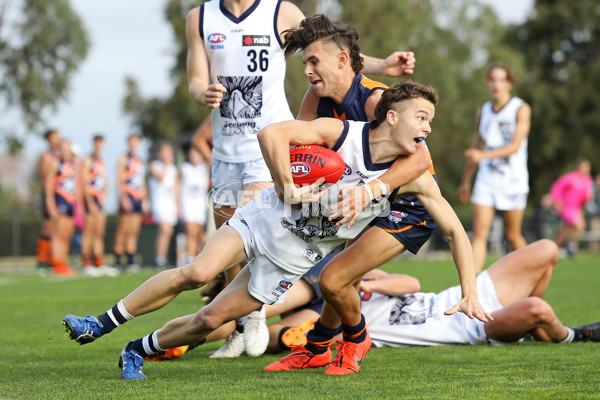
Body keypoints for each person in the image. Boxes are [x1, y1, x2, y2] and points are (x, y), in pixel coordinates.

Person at [62, 82, 490, 380]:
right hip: (264, 219)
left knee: (211, 319)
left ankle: (137, 350)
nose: (427, 129)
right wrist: (287, 185)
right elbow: (274, 133)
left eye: (430, 120)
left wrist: (469, 290)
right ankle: (99, 323)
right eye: (422, 117)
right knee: (197, 273)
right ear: (392, 116)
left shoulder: (413, 177)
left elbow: (454, 230)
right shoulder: (340, 133)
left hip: (293, 257)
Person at [186, 2, 418, 357]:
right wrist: (201, 92)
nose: (308, 68)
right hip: (226, 149)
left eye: (312, 64)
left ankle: (269, 318)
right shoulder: (199, 17)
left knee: (257, 233)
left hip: (268, 147)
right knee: (234, 250)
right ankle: (247, 323)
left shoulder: (279, 12)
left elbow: (329, 48)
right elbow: (195, 80)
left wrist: (383, 65)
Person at [150, 240, 600, 360]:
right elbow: (262, 331)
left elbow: (405, 282)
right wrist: (196, 335)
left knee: (547, 251)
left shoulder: (357, 279)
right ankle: (565, 337)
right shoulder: (324, 302)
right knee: (539, 311)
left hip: (464, 298)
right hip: (470, 326)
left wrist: (367, 284)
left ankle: (529, 335)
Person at [459, 62, 531, 273]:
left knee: (512, 235)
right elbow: (476, 146)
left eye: (500, 79)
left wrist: (483, 155)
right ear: (487, 83)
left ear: (510, 83)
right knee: (480, 233)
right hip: (486, 179)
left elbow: (515, 146)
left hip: (513, 180)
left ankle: (533, 272)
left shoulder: (521, 108)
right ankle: (472, 289)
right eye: (492, 79)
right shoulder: (483, 111)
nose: (495, 84)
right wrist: (465, 181)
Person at [80, 135, 119, 277]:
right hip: (90, 198)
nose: (99, 146)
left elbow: (105, 180)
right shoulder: (88, 160)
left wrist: (104, 196)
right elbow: (84, 182)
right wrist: (89, 202)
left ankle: (98, 261)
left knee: (99, 232)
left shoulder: (102, 161)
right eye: (97, 144)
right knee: (89, 232)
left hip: (100, 198)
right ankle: (86, 262)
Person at [45, 139, 80, 276]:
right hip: (59, 200)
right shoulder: (55, 162)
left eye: (68, 147)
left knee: (66, 235)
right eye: (63, 147)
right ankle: (56, 263)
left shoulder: (72, 164)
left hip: (70, 202)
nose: (66, 150)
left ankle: (63, 262)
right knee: (58, 234)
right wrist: (51, 205)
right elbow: (49, 185)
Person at [113, 134, 147, 272]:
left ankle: (131, 258)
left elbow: (142, 180)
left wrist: (146, 198)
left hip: (138, 197)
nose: (134, 145)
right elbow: (119, 179)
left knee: (134, 229)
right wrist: (123, 197)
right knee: (123, 229)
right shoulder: (123, 159)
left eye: (136, 142)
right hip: (128, 195)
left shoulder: (139, 160)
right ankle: (118, 258)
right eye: (131, 142)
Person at [550, 159, 593, 258]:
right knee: (580, 225)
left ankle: (555, 249)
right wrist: (555, 201)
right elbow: (557, 187)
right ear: (579, 167)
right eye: (584, 166)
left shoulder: (587, 180)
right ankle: (570, 247)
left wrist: (588, 198)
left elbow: (585, 196)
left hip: (577, 209)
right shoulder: (570, 178)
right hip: (567, 207)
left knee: (565, 230)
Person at [148, 143, 179, 268]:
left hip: (170, 204)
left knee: (168, 232)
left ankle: (162, 257)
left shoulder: (173, 169)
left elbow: (175, 189)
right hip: (159, 203)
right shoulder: (154, 165)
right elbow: (160, 178)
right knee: (164, 230)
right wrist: (166, 164)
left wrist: (177, 206)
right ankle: (159, 258)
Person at [36, 129, 62, 275]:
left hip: (58, 195)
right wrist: (49, 199)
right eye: (55, 136)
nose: (58, 139)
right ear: (49, 139)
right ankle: (42, 260)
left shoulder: (57, 155)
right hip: (49, 195)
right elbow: (46, 179)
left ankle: (53, 259)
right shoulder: (46, 156)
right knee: (48, 227)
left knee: (56, 229)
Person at [179, 146, 210, 264]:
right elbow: (177, 186)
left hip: (200, 206)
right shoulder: (185, 168)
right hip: (188, 205)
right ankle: (190, 258)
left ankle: (196, 258)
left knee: (198, 235)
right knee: (190, 233)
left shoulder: (204, 168)